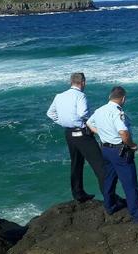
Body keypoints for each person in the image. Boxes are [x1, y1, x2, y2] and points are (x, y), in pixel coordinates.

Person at [87, 86, 138, 223]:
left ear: (110, 97)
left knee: (109, 179)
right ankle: (137, 215)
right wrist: (132, 145)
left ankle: (109, 206)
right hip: (120, 151)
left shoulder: (99, 110)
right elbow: (123, 132)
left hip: (105, 150)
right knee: (129, 184)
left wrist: (102, 133)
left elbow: (89, 123)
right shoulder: (117, 113)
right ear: (123, 98)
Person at [46, 72, 103, 202]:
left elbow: (50, 113)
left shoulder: (59, 96)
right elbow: (82, 113)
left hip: (69, 133)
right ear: (83, 82)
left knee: (76, 163)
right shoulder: (80, 96)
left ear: (71, 82)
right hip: (82, 133)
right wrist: (90, 122)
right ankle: (109, 195)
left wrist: (62, 122)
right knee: (99, 164)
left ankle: (78, 194)